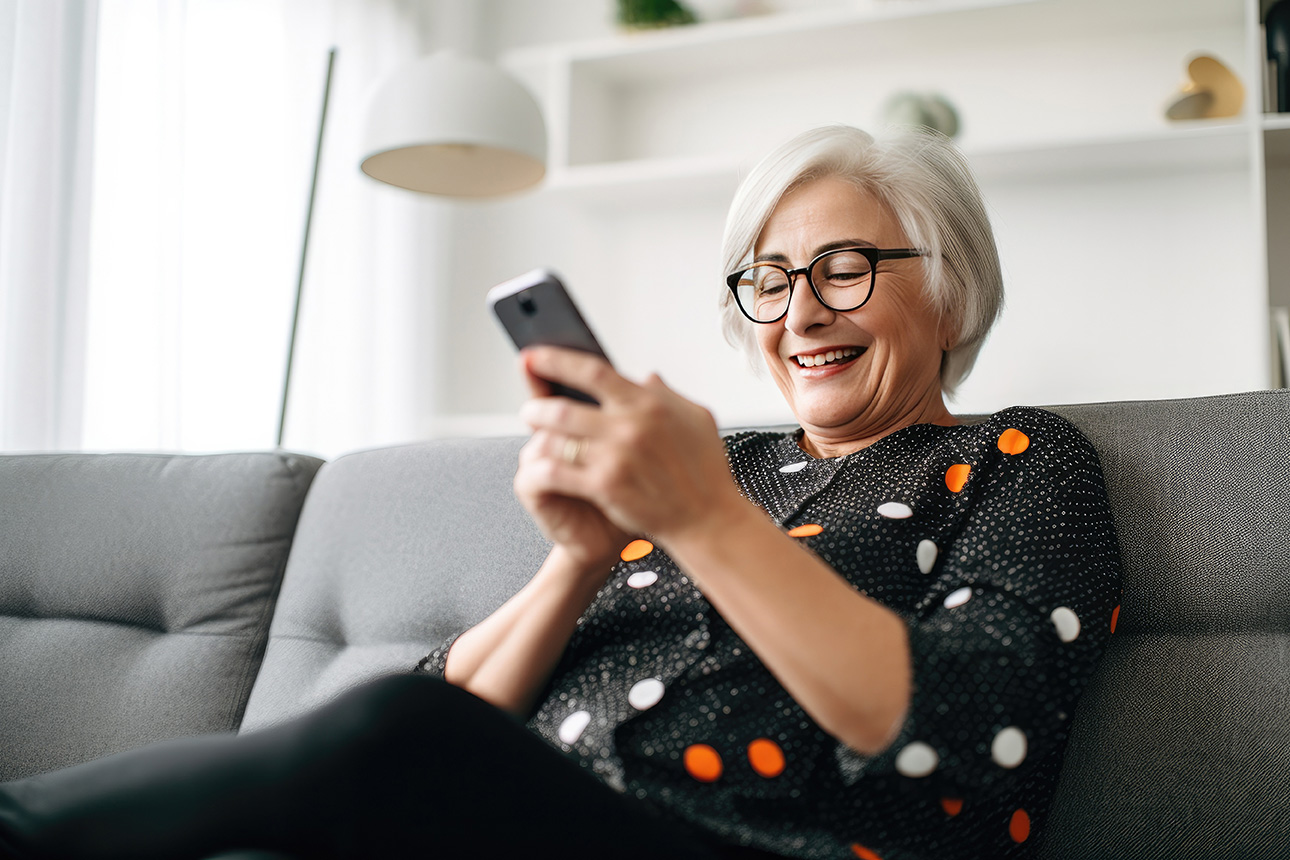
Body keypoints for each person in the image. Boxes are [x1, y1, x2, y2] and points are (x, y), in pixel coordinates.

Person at [0, 125, 1121, 860]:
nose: (799, 314)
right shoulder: (724, 467)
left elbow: (968, 737)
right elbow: (452, 706)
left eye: (843, 269)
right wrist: (578, 559)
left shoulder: (1023, 459)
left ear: (955, 289)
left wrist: (699, 520)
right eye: (770, 280)